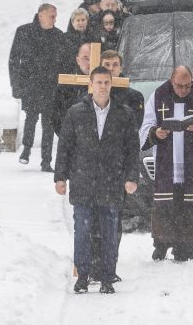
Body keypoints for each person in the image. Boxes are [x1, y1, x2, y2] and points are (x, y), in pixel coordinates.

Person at [54, 67, 140, 294]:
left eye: (106, 82)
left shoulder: (124, 113)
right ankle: (82, 276)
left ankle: (106, 277)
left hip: (111, 182)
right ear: (90, 85)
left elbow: (132, 149)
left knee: (109, 232)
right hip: (83, 180)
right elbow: (65, 146)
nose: (103, 86)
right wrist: (60, 176)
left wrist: (132, 177)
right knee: (82, 231)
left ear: (111, 85)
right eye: (99, 82)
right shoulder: (75, 113)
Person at [139, 66, 193, 261]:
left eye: (187, 85)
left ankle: (191, 247)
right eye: (179, 86)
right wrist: (155, 133)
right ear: (171, 80)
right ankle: (162, 243)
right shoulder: (159, 95)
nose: (184, 90)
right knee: (167, 205)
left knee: (191, 207)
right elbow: (147, 124)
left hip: (192, 163)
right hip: (167, 161)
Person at [9, 3, 63, 171]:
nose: (54, 19)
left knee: (48, 124)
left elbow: (62, 62)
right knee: (31, 118)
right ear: (41, 15)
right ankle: (26, 149)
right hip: (30, 84)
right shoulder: (24, 32)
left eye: (55, 16)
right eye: (51, 15)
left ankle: (46, 160)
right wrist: (16, 84)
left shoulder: (58, 35)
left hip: (50, 86)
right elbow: (13, 60)